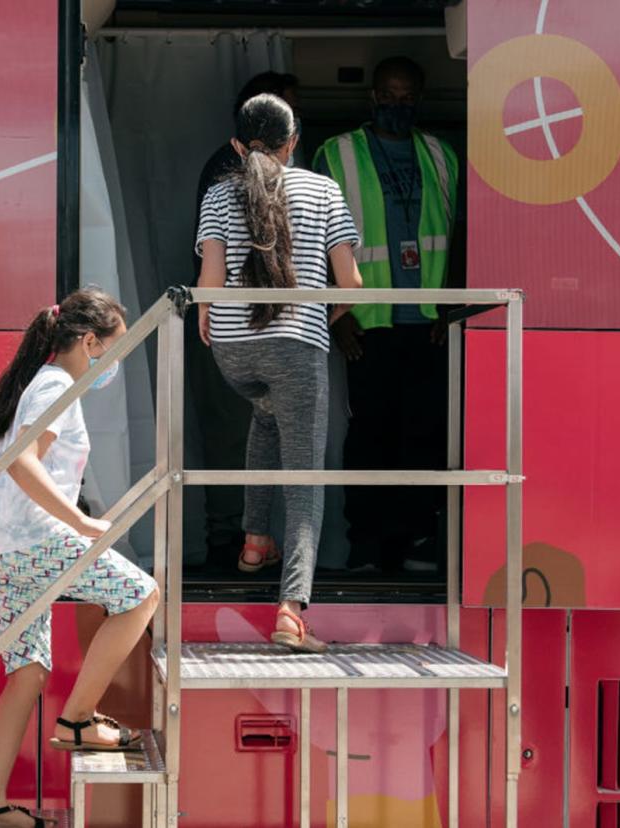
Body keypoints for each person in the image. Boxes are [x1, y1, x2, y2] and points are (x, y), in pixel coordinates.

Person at [0, 287, 160, 828]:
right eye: (112, 352)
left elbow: (6, 460)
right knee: (142, 595)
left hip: (3, 548)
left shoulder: (38, 382)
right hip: (34, 540)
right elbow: (23, 463)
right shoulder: (57, 385)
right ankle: (76, 719)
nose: (112, 365)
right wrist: (81, 522)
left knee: (26, 675)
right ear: (90, 341)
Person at [197, 93, 362, 652]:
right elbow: (352, 284)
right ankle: (291, 610)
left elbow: (210, 285)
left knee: (265, 412)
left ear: (238, 146)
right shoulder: (324, 190)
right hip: (295, 347)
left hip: (231, 352)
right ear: (296, 142)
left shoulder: (220, 192)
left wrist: (210, 317)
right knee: (305, 481)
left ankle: (253, 538)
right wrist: (320, 314)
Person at [311, 56, 462, 574]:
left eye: (407, 97)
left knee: (424, 431)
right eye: (388, 96)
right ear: (371, 98)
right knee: (370, 432)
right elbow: (316, 242)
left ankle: (414, 539)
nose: (398, 106)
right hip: (366, 322)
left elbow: (460, 239)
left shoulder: (443, 155)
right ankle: (367, 544)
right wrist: (339, 313)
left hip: (429, 323)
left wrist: (454, 308)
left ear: (420, 98)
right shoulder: (337, 153)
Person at [189, 71, 300, 574]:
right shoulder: (240, 177)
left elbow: (211, 270)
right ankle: (248, 546)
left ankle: (248, 541)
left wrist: (208, 312)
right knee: (260, 436)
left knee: (251, 431)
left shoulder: (225, 174)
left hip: (228, 328)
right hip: (275, 329)